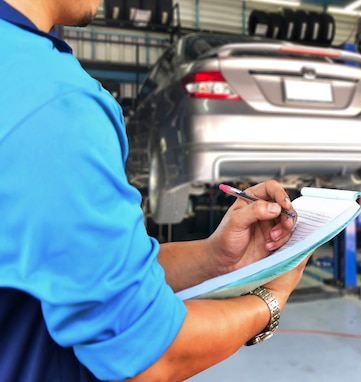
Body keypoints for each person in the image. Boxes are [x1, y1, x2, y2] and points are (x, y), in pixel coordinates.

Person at [0, 1, 309, 381]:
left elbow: (91, 269)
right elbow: (151, 356)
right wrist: (271, 299)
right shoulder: (55, 102)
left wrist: (217, 257)